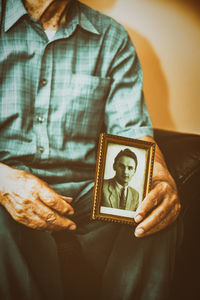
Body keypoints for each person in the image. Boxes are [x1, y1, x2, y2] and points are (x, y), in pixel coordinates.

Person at [0, 0, 182, 299]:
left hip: (86, 194)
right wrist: (4, 182)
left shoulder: (110, 36)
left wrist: (158, 175)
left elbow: (130, 130)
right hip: (6, 184)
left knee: (153, 211)